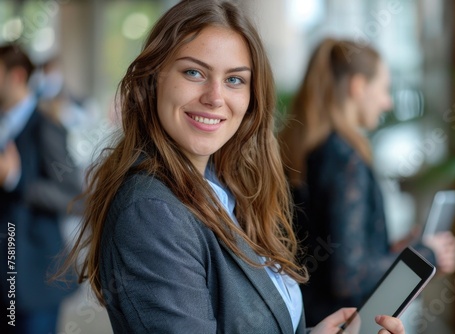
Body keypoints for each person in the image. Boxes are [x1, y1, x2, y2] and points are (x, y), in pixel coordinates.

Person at [58, 1, 406, 333]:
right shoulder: (151, 211)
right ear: (154, 79)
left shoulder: (220, 187)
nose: (215, 97)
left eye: (234, 79)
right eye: (194, 72)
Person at [278, 38, 455, 327]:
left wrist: (394, 250)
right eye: (384, 89)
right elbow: (349, 276)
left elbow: (331, 248)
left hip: (306, 320)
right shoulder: (345, 159)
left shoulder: (304, 150)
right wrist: (428, 254)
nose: (388, 102)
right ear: (358, 86)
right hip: (343, 324)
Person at [0, 44, 82, 334]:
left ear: (16, 76)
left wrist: (16, 178)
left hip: (33, 280)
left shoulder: (46, 128)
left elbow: (76, 197)